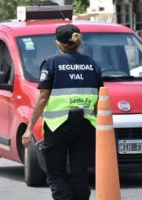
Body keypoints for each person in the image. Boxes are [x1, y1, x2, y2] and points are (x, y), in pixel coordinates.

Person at [22, 24, 103, 200]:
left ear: (58, 43)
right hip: (86, 126)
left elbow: (43, 97)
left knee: (56, 173)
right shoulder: (92, 64)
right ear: (78, 41)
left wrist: (29, 127)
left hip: (57, 126)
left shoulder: (51, 63)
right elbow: (99, 98)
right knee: (80, 174)